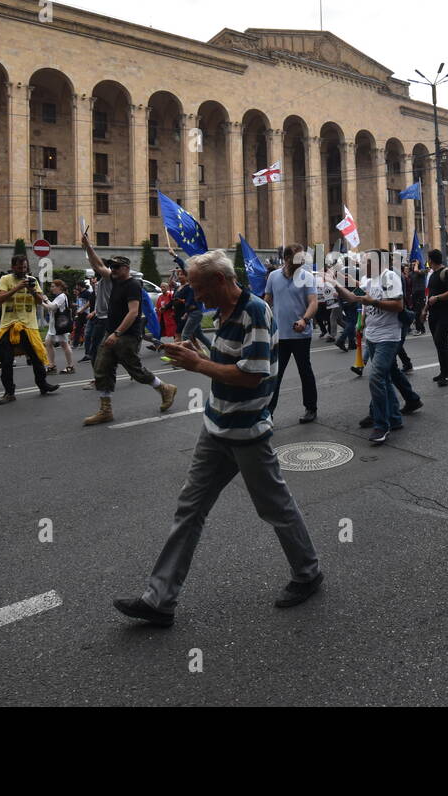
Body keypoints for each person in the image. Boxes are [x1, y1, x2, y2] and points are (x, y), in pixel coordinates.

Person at [113, 249, 322, 626]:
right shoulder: (223, 311)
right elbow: (228, 361)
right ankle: (159, 600)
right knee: (189, 509)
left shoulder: (255, 311)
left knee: (276, 508)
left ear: (221, 281)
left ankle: (308, 573)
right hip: (215, 428)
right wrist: (197, 351)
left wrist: (198, 364)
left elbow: (251, 375)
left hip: (247, 432)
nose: (194, 296)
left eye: (198, 287)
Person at [80, 238, 177, 425]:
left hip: (126, 335)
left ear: (126, 268)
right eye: (112, 267)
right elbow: (98, 266)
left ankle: (165, 388)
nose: (113, 270)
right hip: (112, 332)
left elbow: (133, 313)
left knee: (135, 370)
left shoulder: (133, 285)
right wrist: (88, 247)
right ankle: (105, 410)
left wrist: (116, 334)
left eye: (116, 267)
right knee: (101, 368)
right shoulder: (114, 280)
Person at [332, 250, 410, 444]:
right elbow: (354, 298)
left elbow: (398, 305)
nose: (363, 263)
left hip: (389, 337)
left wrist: (373, 301)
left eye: (366, 260)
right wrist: (335, 284)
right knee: (385, 377)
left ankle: (381, 425)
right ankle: (395, 418)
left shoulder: (389, 277)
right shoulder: (367, 279)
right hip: (372, 337)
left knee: (376, 377)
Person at [0, 255, 61, 405]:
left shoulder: (33, 280)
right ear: (13, 267)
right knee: (6, 360)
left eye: (25, 268)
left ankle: (43, 385)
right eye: (19, 268)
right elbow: (0, 299)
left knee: (37, 357)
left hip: (29, 325)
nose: (22, 271)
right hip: (8, 325)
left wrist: (32, 290)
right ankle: (9, 393)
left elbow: (39, 302)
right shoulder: (6, 279)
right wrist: (18, 287)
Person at [265, 244, 319, 424]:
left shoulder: (307, 277)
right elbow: (267, 302)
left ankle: (311, 408)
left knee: (305, 371)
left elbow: (313, 303)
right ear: (287, 258)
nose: (302, 261)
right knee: (275, 375)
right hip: (279, 335)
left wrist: (304, 320)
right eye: (298, 258)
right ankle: (268, 413)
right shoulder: (273, 276)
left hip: (300, 334)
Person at [420, 249, 448, 386]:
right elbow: (430, 295)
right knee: (439, 344)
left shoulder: (447, 272)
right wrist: (425, 310)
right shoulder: (432, 275)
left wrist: (437, 298)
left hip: (446, 313)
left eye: (428, 258)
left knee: (441, 341)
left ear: (431, 260)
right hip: (434, 314)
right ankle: (443, 372)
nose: (427, 261)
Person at [42, 278, 76, 374]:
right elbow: (50, 308)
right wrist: (41, 302)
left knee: (64, 345)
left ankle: (71, 366)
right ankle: (52, 365)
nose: (51, 288)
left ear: (59, 287)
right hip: (54, 326)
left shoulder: (62, 296)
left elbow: (52, 307)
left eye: (53, 286)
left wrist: (45, 299)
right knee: (48, 343)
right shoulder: (58, 297)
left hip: (60, 326)